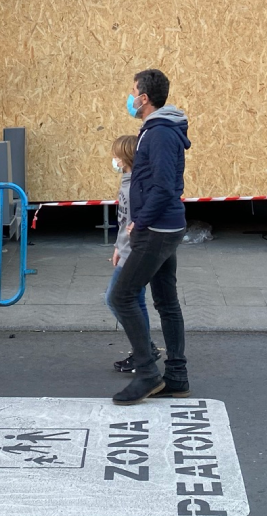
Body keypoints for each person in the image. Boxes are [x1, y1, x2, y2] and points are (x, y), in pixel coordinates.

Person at [108, 69, 191, 405]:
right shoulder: (159, 131)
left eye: (133, 92)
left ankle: (147, 373)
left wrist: (139, 221)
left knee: (121, 297)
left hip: (155, 230)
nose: (130, 97)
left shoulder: (157, 133)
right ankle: (177, 377)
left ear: (144, 98)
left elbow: (162, 185)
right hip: (166, 226)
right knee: (166, 303)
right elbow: (170, 183)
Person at [107, 135, 160, 374]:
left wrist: (126, 247)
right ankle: (145, 349)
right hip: (127, 250)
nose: (113, 159)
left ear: (126, 158)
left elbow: (136, 220)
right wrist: (118, 246)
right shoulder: (127, 181)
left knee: (115, 298)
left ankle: (144, 351)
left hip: (135, 254)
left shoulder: (135, 186)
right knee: (135, 301)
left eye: (116, 155)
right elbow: (123, 221)